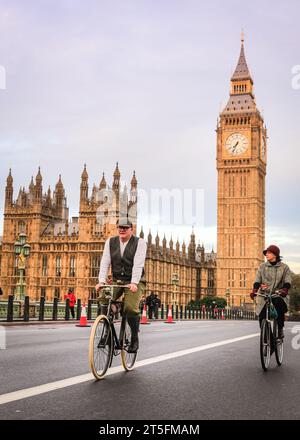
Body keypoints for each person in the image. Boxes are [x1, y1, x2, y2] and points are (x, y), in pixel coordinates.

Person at [96, 219, 147, 353]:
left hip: (134, 281)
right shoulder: (110, 242)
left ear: (131, 229)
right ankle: (107, 334)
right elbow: (105, 262)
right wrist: (101, 281)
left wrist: (134, 282)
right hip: (117, 280)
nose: (122, 230)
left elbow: (138, 264)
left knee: (130, 308)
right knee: (103, 299)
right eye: (120, 227)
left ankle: (135, 338)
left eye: (125, 227)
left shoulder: (140, 243)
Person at [250, 245, 292, 338]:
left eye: (269, 253)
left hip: (279, 294)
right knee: (262, 316)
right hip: (264, 294)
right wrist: (254, 290)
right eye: (266, 253)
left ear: (275, 255)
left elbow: (287, 281)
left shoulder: (284, 267)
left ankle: (280, 329)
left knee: (279, 308)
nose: (266, 255)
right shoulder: (262, 266)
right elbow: (257, 280)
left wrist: (284, 290)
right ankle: (267, 339)